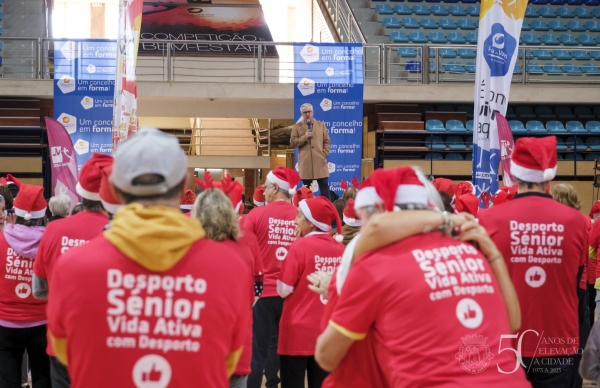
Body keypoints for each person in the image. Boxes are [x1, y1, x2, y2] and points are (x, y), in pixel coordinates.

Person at [46, 128, 252, 388]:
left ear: (116, 188)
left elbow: (65, 353)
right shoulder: (230, 268)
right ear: (183, 184)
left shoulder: (72, 268)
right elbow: (229, 362)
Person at [314, 166, 530, 387]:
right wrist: (493, 255)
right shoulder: (470, 249)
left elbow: (327, 357)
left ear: (377, 208)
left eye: (362, 217)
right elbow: (512, 324)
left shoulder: (374, 266)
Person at [479, 136, 589, 388]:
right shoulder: (577, 222)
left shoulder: (489, 220)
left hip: (504, 343)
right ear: (549, 176)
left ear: (514, 174)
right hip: (558, 342)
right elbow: (578, 285)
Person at [33, 153, 111, 387]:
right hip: (106, 340)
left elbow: (38, 289)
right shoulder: (121, 233)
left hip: (62, 338)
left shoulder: (53, 231)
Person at [193, 185, 262, 388]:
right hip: (236, 348)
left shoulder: (187, 251)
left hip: (198, 352)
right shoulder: (243, 248)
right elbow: (251, 295)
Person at [277, 197, 344, 388]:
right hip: (326, 331)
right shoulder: (339, 248)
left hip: (296, 332)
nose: (295, 221)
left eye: (299, 216)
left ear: (312, 223)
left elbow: (283, 290)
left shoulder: (299, 247)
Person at [242, 167, 299, 388]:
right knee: (283, 348)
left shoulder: (255, 215)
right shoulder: (300, 216)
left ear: (275, 188)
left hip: (261, 294)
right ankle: (274, 383)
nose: (263, 191)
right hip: (291, 295)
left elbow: (243, 253)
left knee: (257, 349)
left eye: (266, 186)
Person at [0, 178, 50, 388]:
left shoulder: (2, 240)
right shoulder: (50, 244)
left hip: (6, 323)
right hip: (42, 322)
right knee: (43, 378)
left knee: (7, 380)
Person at [290, 103, 331, 201]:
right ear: (302, 114)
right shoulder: (297, 127)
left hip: (320, 162)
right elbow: (292, 143)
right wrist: (305, 137)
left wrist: (324, 154)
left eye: (309, 112)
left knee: (325, 189)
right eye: (305, 112)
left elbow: (327, 141)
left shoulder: (321, 125)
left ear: (313, 112)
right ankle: (306, 212)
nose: (307, 114)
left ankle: (328, 211)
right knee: (306, 192)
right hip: (306, 164)